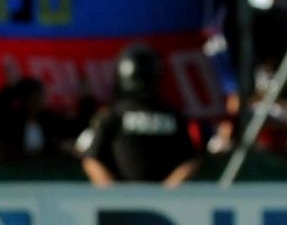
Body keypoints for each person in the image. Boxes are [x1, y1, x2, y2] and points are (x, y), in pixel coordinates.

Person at [81, 44, 203, 187]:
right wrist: (112, 191)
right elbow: (92, 159)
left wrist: (168, 189)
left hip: (159, 198)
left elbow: (190, 160)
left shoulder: (172, 116)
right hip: (126, 196)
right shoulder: (113, 115)